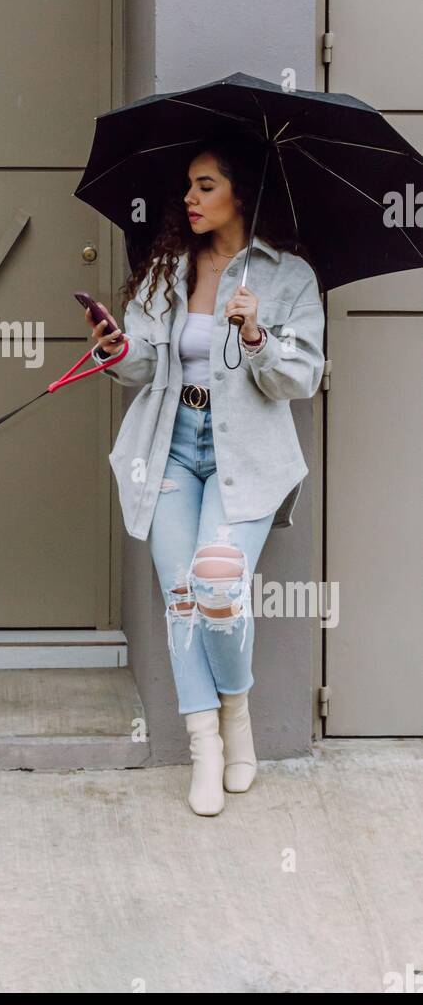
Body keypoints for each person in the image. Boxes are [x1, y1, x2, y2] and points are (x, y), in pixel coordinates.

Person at [85, 136, 325, 816]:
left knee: (218, 587)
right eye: (188, 186)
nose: (189, 199)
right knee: (182, 600)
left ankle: (237, 715)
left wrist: (258, 337)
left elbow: (299, 377)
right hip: (170, 447)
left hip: (242, 454)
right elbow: (140, 369)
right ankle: (205, 748)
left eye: (205, 185)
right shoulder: (167, 271)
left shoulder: (287, 278)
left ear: (240, 193)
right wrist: (116, 347)